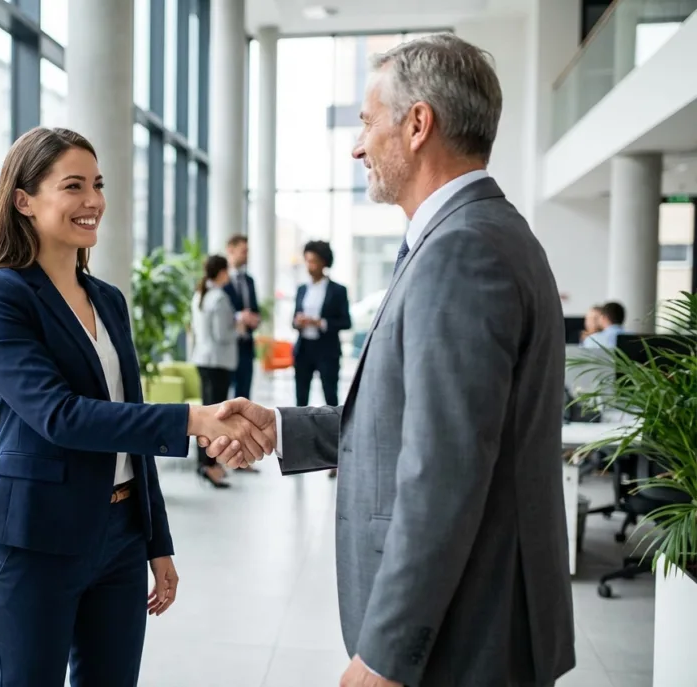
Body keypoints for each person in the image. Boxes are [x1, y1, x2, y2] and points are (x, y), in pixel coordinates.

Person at [203, 34, 575, 687]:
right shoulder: (479, 234)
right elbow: (412, 423)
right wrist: (280, 426)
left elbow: (444, 470)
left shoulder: (463, 251)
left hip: (468, 635)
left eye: (366, 123)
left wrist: (385, 654)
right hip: (481, 619)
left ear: (417, 124)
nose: (357, 146)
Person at [0, 126, 273, 687]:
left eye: (97, 185)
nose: (93, 201)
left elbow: (129, 416)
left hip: (121, 537)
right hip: (35, 542)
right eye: (73, 185)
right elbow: (61, 416)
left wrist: (156, 541)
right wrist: (194, 420)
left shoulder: (108, 299)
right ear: (23, 201)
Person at [190, 254, 238, 488]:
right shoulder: (219, 298)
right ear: (220, 272)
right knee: (215, 417)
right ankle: (208, 465)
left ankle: (208, 463)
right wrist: (238, 325)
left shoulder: (199, 294)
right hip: (217, 362)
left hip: (202, 358)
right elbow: (222, 335)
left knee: (206, 414)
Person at [293, 240, 352, 407]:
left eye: (313, 261)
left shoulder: (338, 290)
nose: (309, 266)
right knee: (301, 397)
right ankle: (299, 431)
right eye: (307, 261)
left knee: (330, 395)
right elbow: (293, 319)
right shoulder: (302, 289)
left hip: (327, 350)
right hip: (304, 349)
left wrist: (321, 323)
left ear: (323, 263)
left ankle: (333, 431)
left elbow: (346, 322)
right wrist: (298, 322)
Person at [222, 235, 260, 399]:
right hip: (226, 345)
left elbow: (255, 308)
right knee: (223, 396)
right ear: (230, 250)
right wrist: (239, 317)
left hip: (245, 345)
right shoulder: (221, 280)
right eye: (243, 251)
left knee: (244, 396)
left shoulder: (249, 280)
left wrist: (254, 319)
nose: (247, 255)